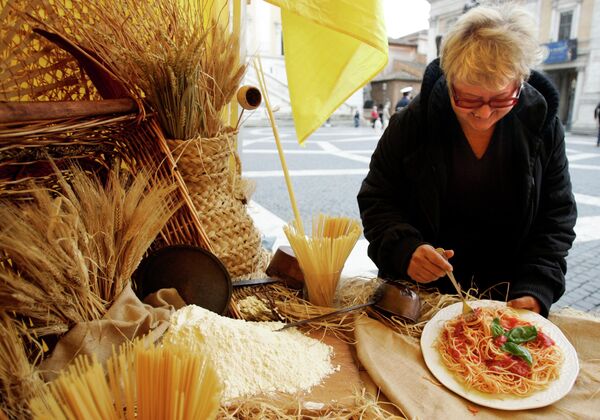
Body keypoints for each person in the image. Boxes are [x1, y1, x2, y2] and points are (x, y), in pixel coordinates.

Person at [357, 4, 577, 317]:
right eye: (468, 99)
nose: (484, 114)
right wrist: (404, 249)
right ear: (450, 81)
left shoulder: (541, 126)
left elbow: (556, 217)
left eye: (501, 100)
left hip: (507, 300)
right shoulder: (413, 123)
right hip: (421, 299)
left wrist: (537, 284)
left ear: (520, 81)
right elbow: (377, 198)